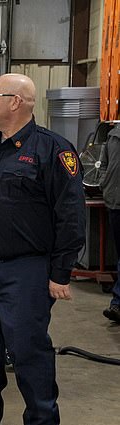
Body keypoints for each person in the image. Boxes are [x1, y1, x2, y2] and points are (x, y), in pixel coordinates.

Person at [0, 73, 86, 425]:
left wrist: (60, 273)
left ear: (15, 102)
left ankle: (41, 418)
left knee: (28, 352)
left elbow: (70, 216)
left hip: (24, 273)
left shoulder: (53, 149)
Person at [100, 124, 120, 322]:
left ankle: (117, 303)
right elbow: (103, 163)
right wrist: (105, 183)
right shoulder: (113, 135)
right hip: (115, 202)